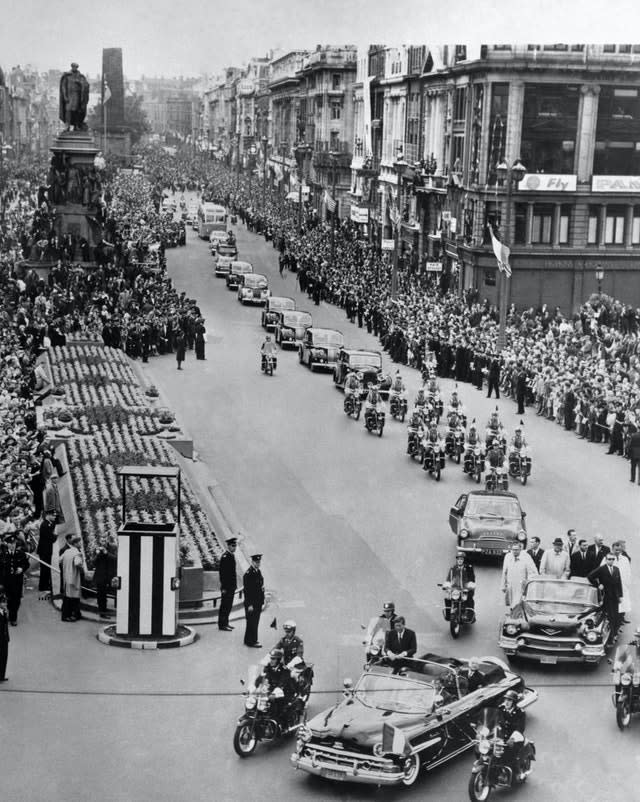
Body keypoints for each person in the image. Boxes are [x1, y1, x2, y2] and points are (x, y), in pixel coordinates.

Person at [588, 552, 624, 635]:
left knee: (616, 615)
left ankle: (614, 633)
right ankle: (609, 636)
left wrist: (620, 596)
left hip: (615, 596)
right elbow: (590, 576)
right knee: (608, 616)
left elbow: (619, 583)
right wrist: (598, 585)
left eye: (613, 559)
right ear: (606, 559)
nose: (611, 561)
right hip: (606, 596)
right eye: (609, 559)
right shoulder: (602, 569)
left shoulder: (616, 569)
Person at [0, 534, 30, 626]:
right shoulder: (3, 555)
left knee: (16, 600)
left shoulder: (20, 554)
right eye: (10, 544)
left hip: (17, 581)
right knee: (8, 600)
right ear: (7, 544)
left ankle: (13, 618)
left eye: (14, 543)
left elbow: (26, 564)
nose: (12, 545)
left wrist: (22, 569)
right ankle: (10, 612)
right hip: (6, 582)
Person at [499, 690, 528, 781]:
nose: (506, 702)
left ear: (514, 702)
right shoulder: (501, 709)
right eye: (506, 699)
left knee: (510, 753)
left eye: (509, 700)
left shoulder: (520, 713)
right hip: (502, 736)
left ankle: (519, 772)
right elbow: (493, 720)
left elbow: (520, 728)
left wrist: (512, 738)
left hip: (516, 738)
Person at [501, 542, 538, 609]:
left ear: (520, 549)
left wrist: (528, 584)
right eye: (513, 550)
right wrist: (503, 585)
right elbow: (504, 572)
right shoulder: (508, 556)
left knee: (519, 604)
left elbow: (532, 572)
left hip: (521, 586)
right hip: (511, 585)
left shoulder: (526, 557)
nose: (514, 552)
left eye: (516, 550)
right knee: (512, 604)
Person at [443, 551, 476, 621]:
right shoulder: (453, 568)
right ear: (456, 560)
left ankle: (470, 616)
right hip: (455, 589)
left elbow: (472, 578)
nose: (460, 560)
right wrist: (447, 585)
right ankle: (448, 615)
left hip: (465, 588)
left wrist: (470, 585)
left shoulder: (468, 568)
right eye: (458, 559)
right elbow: (449, 578)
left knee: (469, 598)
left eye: (461, 559)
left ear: (464, 560)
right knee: (447, 598)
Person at [60, 534, 85, 622]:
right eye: (79, 543)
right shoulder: (77, 553)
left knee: (67, 598)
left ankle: (69, 615)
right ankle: (72, 615)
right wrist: (82, 570)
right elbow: (77, 563)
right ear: (76, 544)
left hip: (66, 578)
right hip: (74, 579)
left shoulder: (66, 552)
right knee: (74, 598)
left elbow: (60, 560)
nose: (80, 544)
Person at [243, 553, 265, 648]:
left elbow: (260, 585)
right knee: (252, 622)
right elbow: (247, 591)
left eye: (259, 562)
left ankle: (248, 639)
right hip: (252, 603)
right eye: (256, 562)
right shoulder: (248, 574)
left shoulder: (257, 572)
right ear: (252, 562)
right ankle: (252, 641)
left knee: (254, 622)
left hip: (258, 602)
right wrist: (249, 605)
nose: (258, 563)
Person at [609, 540, 632, 625]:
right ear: (612, 549)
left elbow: (628, 572)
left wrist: (627, 584)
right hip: (611, 586)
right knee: (613, 606)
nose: (617, 551)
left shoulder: (625, 559)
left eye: (619, 550)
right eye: (615, 550)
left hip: (622, 585)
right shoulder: (608, 558)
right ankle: (614, 624)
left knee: (622, 604)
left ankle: (619, 621)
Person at [218, 537, 238, 631]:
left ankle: (226, 623)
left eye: (235, 546)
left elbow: (232, 573)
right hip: (227, 587)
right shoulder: (225, 557)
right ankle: (222, 624)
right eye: (233, 546)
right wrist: (224, 587)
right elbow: (223, 574)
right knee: (225, 606)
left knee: (229, 605)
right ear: (229, 546)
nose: (235, 547)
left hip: (231, 587)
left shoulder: (231, 556)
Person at [93, 542, 116, 619]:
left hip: (106, 579)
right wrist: (98, 555)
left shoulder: (109, 555)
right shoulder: (99, 555)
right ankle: (102, 613)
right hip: (100, 579)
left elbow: (114, 559)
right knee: (101, 597)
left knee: (103, 597)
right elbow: (94, 563)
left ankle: (103, 612)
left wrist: (106, 554)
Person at [36, 510, 57, 593]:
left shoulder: (49, 523)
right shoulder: (45, 525)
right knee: (44, 568)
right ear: (48, 515)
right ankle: (43, 586)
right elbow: (52, 538)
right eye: (53, 515)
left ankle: (46, 584)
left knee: (47, 568)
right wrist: (55, 535)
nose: (55, 517)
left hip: (46, 549)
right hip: (44, 550)